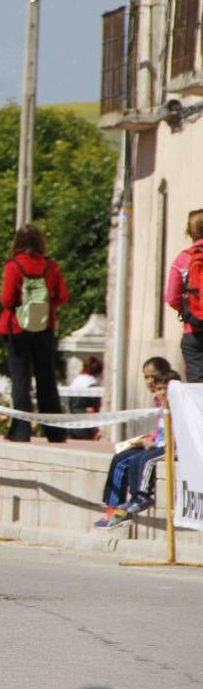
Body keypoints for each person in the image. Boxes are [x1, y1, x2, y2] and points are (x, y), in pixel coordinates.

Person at [0, 224, 70, 443]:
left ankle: (20, 430)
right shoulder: (50, 266)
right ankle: (55, 431)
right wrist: (47, 306)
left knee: (20, 381)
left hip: (17, 328)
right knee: (47, 380)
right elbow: (63, 296)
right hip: (44, 327)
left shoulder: (13, 266)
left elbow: (6, 299)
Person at [95, 358, 175, 528]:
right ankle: (113, 509)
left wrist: (155, 442)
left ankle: (138, 499)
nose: (150, 382)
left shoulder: (174, 397)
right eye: (146, 377)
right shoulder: (158, 399)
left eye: (153, 377)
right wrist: (146, 439)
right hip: (157, 442)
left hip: (166, 446)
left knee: (141, 460)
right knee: (120, 459)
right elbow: (161, 428)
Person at [164, 209, 203, 382]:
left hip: (193, 331)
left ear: (189, 231)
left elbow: (172, 297)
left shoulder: (182, 259)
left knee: (197, 386)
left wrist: (190, 309)